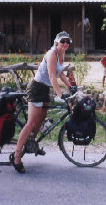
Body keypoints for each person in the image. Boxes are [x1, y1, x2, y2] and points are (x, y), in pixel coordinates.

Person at [11, 31, 73, 173]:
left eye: (67, 42)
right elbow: (52, 76)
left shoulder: (61, 54)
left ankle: (31, 141)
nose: (65, 44)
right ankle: (17, 156)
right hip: (36, 88)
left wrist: (71, 86)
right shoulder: (52, 54)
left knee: (42, 117)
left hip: (45, 89)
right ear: (56, 42)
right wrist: (60, 94)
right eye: (62, 41)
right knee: (31, 122)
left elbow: (61, 73)